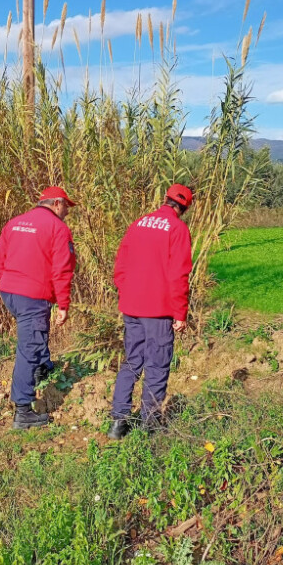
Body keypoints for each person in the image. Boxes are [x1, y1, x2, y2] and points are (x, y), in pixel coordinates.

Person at [108, 183, 194, 440]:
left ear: (166, 199)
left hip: (131, 308)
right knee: (156, 366)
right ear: (185, 207)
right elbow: (179, 275)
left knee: (132, 362)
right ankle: (149, 425)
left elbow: (120, 266)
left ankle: (117, 423)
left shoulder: (138, 224)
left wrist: (127, 292)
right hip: (158, 311)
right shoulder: (178, 229)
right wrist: (180, 313)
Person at [0, 186, 77, 429]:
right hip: (32, 295)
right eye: (67, 207)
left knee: (35, 334)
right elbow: (62, 270)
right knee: (28, 347)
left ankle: (44, 368)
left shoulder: (15, 222)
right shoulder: (57, 228)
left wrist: (10, 282)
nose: (67, 212)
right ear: (57, 203)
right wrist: (63, 304)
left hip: (10, 292)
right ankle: (22, 410)